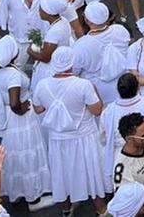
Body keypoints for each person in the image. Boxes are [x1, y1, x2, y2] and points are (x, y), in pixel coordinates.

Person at [32, 46, 109, 214]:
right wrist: (96, 92)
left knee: (62, 174)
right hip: (84, 137)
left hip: (58, 140)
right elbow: (97, 110)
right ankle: (101, 209)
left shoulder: (42, 84)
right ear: (71, 63)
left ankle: (66, 209)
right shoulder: (83, 85)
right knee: (91, 172)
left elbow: (38, 109)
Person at [0, 37, 50, 205]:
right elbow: (14, 102)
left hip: (0, 118)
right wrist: (21, 108)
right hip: (20, 120)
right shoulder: (12, 75)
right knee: (26, 152)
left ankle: (14, 191)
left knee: (7, 153)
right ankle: (33, 195)